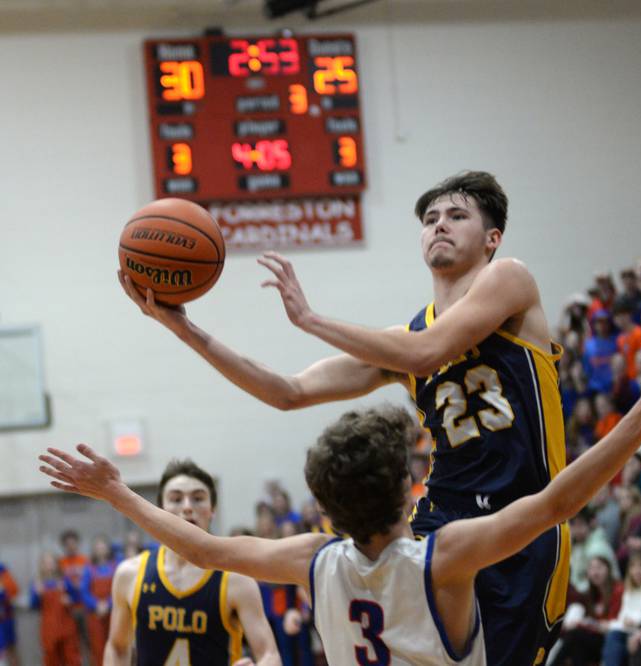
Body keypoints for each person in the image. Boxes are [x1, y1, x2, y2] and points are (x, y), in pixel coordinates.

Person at [116, 171, 582, 664]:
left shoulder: (509, 278)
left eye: (457, 216)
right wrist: (185, 329)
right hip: (438, 525)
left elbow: (428, 353)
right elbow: (287, 392)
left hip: (523, 518)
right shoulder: (402, 340)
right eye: (430, 219)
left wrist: (312, 320)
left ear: (492, 238)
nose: (439, 225)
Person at [40, 331, 641, 666]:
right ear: (404, 488)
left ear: (326, 507)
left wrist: (117, 492)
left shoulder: (312, 558)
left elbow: (198, 545)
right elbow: (557, 502)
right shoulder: (443, 559)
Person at [83, 460, 280, 665]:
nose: (187, 507)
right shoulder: (130, 573)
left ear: (212, 509)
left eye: (198, 498)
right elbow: (117, 647)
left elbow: (269, 653)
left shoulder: (236, 579)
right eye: (176, 499)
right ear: (160, 510)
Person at [551, 556, 622, 666]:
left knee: (576, 635)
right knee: (576, 643)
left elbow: (612, 622)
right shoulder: (589, 595)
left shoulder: (618, 590)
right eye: (591, 569)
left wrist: (592, 624)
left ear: (609, 569)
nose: (595, 572)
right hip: (593, 639)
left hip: (611, 640)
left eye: (599, 568)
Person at [602, 551, 641, 666]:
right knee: (611, 636)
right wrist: (615, 624)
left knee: (614, 636)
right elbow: (623, 617)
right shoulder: (629, 590)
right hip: (628, 630)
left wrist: (627, 623)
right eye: (633, 567)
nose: (637, 571)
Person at [30, 552, 81, 666]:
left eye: (51, 562)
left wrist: (70, 600)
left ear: (56, 564)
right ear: (41, 565)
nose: (48, 565)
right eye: (45, 563)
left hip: (67, 625)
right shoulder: (37, 583)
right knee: (51, 658)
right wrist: (37, 595)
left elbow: (77, 598)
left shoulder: (64, 580)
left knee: (72, 657)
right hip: (48, 628)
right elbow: (33, 605)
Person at [80, 534, 117, 666]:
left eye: (103, 547)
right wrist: (96, 605)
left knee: (116, 648)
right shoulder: (88, 568)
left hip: (114, 614)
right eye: (98, 547)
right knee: (97, 649)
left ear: (108, 549)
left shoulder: (116, 566)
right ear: (94, 551)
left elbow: (120, 589)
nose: (101, 550)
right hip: (95, 615)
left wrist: (109, 604)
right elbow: (84, 592)